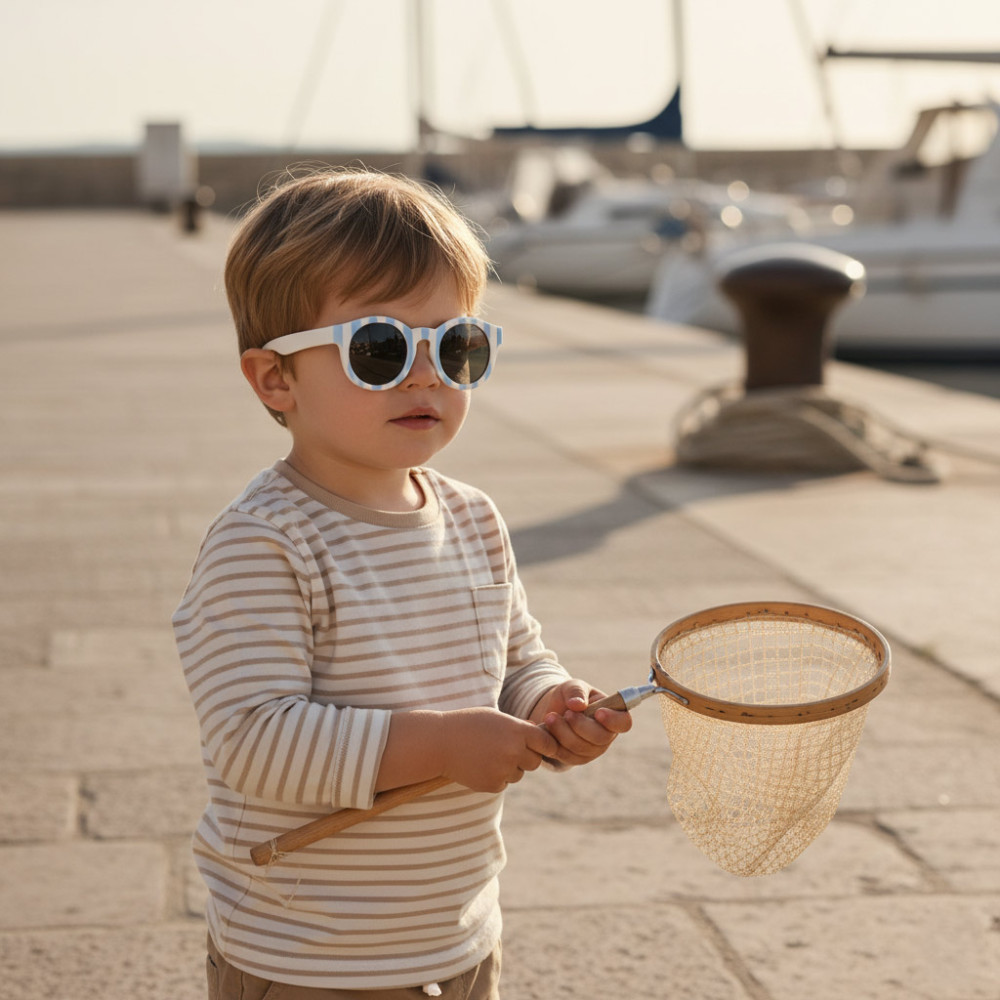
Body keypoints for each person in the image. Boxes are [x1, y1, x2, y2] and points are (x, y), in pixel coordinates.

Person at [173, 168, 632, 1000]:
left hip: (454, 934)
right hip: (306, 954)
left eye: (457, 346)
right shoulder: (265, 542)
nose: (427, 375)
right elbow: (252, 740)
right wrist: (443, 742)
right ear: (275, 378)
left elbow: (515, 659)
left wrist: (550, 704)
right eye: (380, 349)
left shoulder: (474, 518)